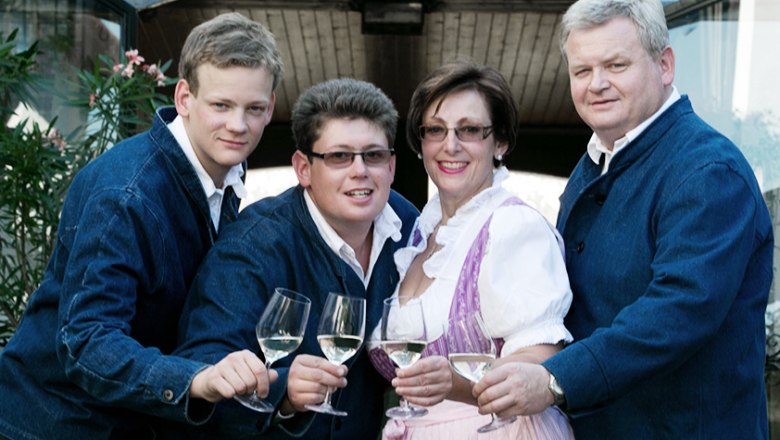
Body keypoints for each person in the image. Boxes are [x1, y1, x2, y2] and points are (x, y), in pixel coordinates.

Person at [472, 0, 774, 438]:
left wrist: (555, 379)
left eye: (616, 65)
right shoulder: (594, 165)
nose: (597, 84)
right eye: (582, 71)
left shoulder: (708, 171)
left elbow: (677, 311)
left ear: (664, 65)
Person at [0, 12, 284, 439]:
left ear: (271, 107)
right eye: (221, 105)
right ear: (185, 97)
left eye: (254, 108)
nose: (238, 125)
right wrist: (194, 380)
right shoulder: (125, 196)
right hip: (51, 424)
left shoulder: (225, 171)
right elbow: (87, 341)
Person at [173, 77, 419, 439]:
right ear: (303, 168)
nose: (360, 170)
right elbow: (203, 360)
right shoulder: (253, 244)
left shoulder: (410, 229)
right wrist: (283, 391)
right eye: (338, 156)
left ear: (391, 166)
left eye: (373, 155)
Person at [366, 61, 575, 439]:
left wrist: (457, 384)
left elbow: (543, 359)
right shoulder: (416, 237)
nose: (450, 145)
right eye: (436, 130)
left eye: (470, 130)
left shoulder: (512, 226)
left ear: (501, 142)